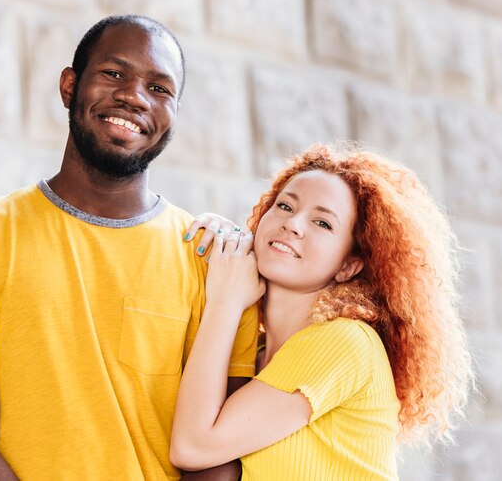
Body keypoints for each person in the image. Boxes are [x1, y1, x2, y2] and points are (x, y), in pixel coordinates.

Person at [0, 15, 258, 480]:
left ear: (174, 114)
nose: (134, 96)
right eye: (114, 74)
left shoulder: (217, 264)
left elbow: (221, 454)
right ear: (70, 86)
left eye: (160, 88)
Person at [170, 143, 474, 480]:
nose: (294, 224)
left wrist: (224, 303)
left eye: (323, 223)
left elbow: (192, 447)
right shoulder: (256, 351)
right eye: (284, 205)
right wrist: (226, 242)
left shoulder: (343, 342)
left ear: (348, 265)